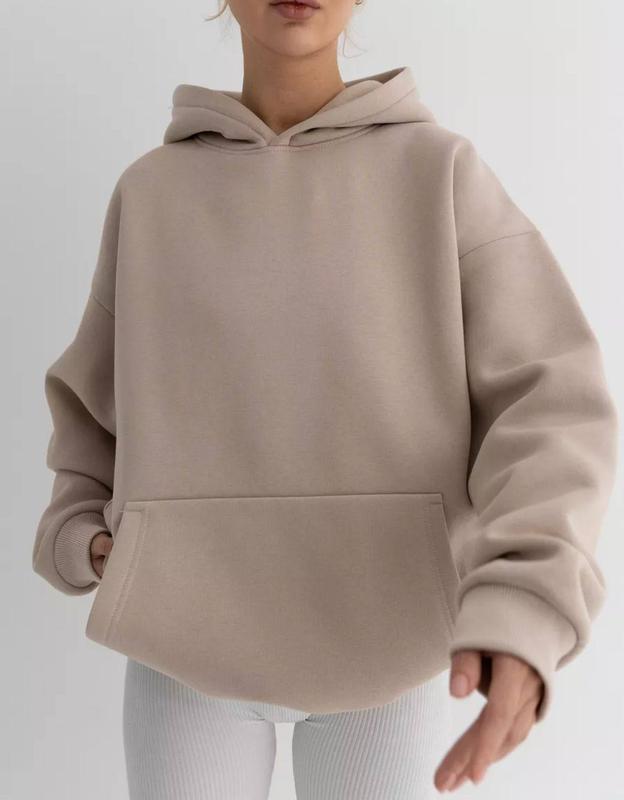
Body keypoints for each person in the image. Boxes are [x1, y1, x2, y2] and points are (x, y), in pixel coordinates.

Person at [31, 0, 618, 798]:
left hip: (394, 644)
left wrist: (527, 606)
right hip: (183, 650)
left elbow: (552, 405)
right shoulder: (151, 192)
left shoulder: (439, 174)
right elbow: (91, 404)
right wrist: (87, 536)